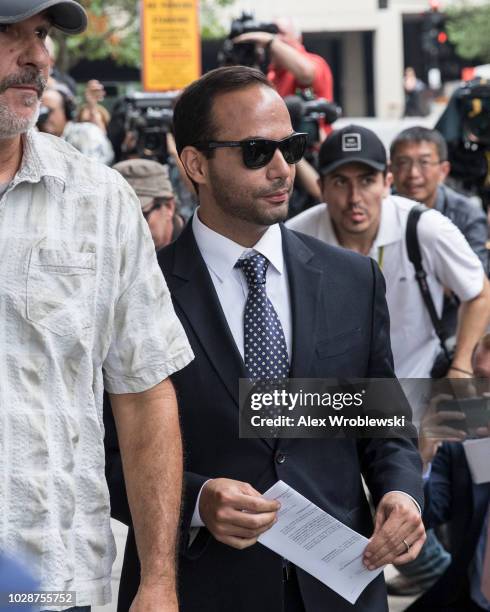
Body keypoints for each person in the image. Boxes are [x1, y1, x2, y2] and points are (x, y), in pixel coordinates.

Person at [109, 65, 426, 612]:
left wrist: (401, 493)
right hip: (201, 589)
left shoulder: (352, 279)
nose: (283, 168)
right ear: (195, 164)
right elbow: (99, 450)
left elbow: (380, 419)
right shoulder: (138, 288)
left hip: (340, 588)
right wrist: (197, 499)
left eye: (292, 146)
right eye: (258, 150)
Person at [0, 2, 194, 611]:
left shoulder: (97, 198)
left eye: (43, 35)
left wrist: (158, 581)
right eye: (10, 34)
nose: (38, 57)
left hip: (49, 577)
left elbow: (143, 393)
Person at [287, 124, 490, 379]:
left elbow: (479, 293)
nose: (355, 198)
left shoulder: (425, 228)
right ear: (321, 187)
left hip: (417, 391)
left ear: (387, 183)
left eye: (367, 181)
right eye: (340, 182)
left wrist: (460, 367)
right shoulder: (296, 239)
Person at [405, 333, 490, 611]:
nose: (482, 395)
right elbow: (423, 515)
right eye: (479, 379)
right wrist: (422, 457)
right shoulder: (460, 445)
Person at [390, 126, 488, 269]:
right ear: (390, 169)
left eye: (424, 163)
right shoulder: (377, 210)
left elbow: (478, 278)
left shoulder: (467, 216)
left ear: (443, 171)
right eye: (403, 163)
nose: (413, 173)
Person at [233, 17, 333, 102]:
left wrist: (270, 41)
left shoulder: (316, 62)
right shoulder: (271, 76)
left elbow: (306, 74)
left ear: (298, 39)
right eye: (272, 33)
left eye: (280, 33)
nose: (276, 37)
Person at [113, 158, 184, 250]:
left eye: (140, 215)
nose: (128, 226)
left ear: (169, 207)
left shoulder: (198, 249)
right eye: (118, 216)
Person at [38, 85, 114, 164]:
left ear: (66, 111)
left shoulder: (86, 133)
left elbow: (90, 172)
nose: (44, 117)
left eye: (49, 111)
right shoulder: (41, 141)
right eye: (40, 112)